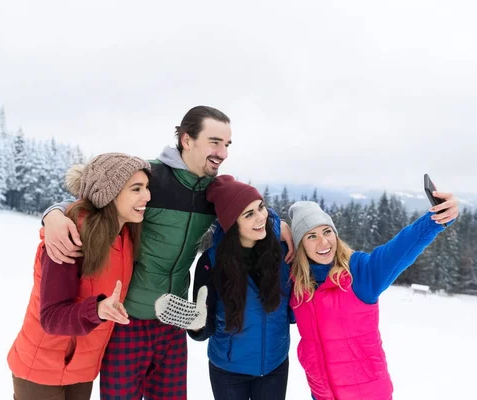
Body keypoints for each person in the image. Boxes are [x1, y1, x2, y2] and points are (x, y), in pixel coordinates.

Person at [40, 106, 295, 399]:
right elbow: (91, 199)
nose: (223, 153)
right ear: (187, 140)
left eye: (227, 145)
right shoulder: (150, 179)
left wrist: (279, 223)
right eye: (214, 142)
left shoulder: (213, 191)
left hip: (173, 319)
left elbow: (246, 207)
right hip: (126, 318)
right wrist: (54, 214)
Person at [288, 189, 459, 400]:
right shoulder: (297, 288)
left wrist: (435, 221)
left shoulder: (360, 273)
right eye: (311, 236)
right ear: (300, 245)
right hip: (321, 396)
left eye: (327, 231)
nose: (323, 242)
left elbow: (400, 249)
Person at [7, 153, 152, 400]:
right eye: (136, 188)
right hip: (40, 368)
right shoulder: (70, 236)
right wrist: (97, 310)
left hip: (82, 369)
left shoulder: (126, 236)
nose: (147, 196)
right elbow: (51, 318)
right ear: (110, 193)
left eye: (147, 187)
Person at [156, 175, 294, 400]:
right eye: (249, 214)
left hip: (274, 366)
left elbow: (292, 313)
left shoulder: (282, 252)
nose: (261, 218)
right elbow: (206, 328)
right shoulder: (211, 263)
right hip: (228, 372)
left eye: (261, 207)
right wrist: (197, 324)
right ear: (231, 223)